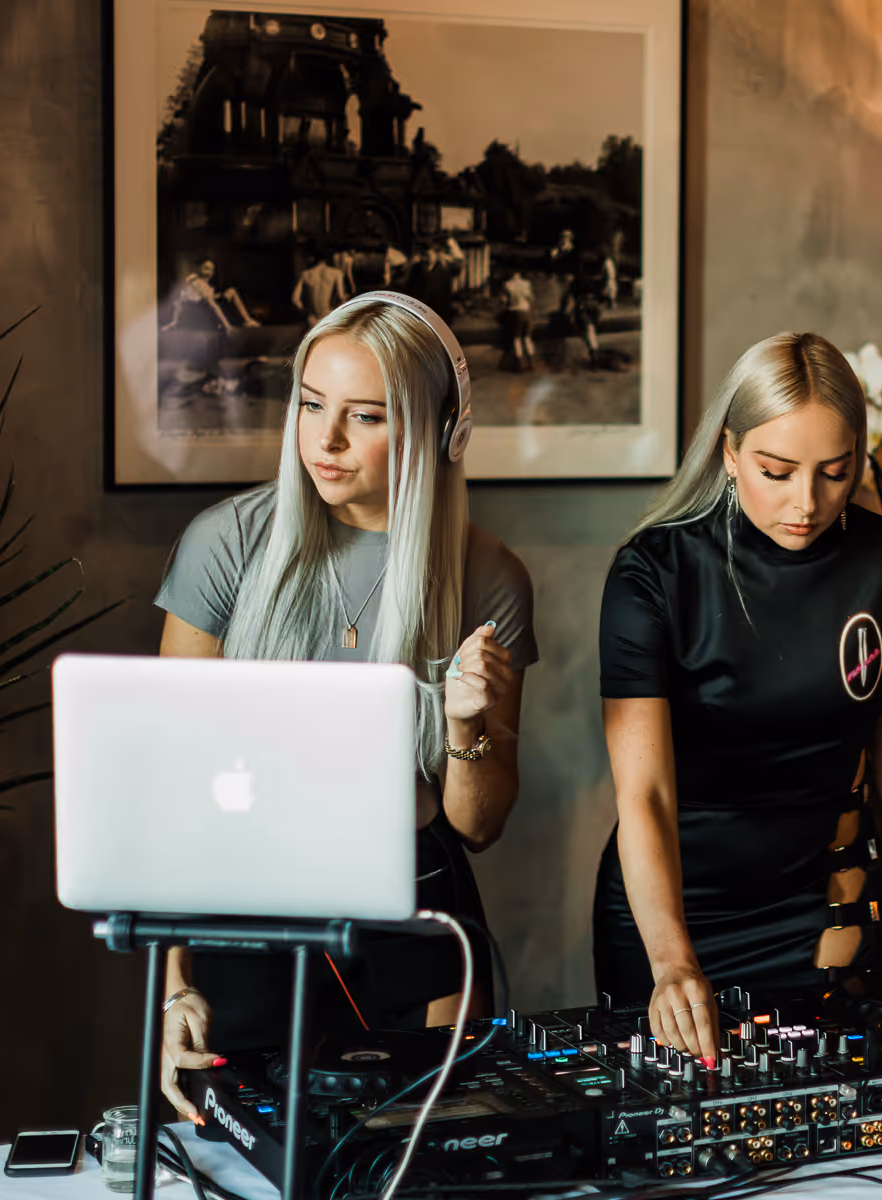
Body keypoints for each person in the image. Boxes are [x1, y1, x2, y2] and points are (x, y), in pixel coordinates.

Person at [594, 332, 882, 1066]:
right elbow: (643, 794)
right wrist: (673, 962)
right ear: (730, 452)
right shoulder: (654, 573)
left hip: (824, 907)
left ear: (860, 460)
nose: (805, 503)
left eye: (835, 473)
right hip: (671, 912)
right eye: (776, 471)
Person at [154, 295, 538, 1121]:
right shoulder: (225, 544)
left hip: (415, 902)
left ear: (442, 433)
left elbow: (479, 823)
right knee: (247, 1154)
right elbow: (174, 795)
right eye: (310, 405)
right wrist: (172, 986)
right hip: (247, 907)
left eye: (364, 416)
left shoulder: (488, 578)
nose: (324, 441)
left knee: (417, 1152)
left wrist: (467, 723)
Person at [161, 259, 261, 331]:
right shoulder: (195, 279)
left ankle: (247, 320)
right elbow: (208, 302)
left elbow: (210, 298)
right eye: (206, 268)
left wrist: (213, 295)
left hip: (204, 304)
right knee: (212, 304)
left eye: (211, 269)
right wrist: (227, 326)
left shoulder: (209, 287)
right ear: (201, 269)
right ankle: (221, 324)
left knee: (231, 292)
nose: (208, 271)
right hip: (196, 307)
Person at [291, 250, 349, 327]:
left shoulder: (306, 274)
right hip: (328, 317)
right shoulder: (337, 273)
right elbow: (341, 297)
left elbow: (295, 299)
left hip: (312, 319)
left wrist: (306, 312)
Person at [502, 268, 536, 371]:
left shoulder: (507, 284)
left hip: (515, 312)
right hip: (526, 311)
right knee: (527, 337)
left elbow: (504, 300)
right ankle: (531, 361)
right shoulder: (526, 284)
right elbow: (531, 299)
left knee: (516, 338)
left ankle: (520, 362)